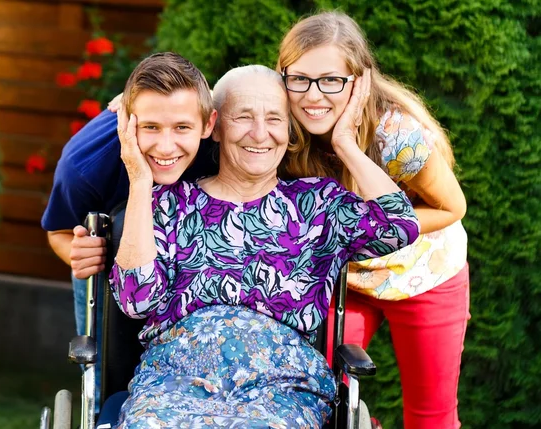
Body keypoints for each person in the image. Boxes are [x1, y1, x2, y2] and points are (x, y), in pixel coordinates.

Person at [108, 64, 420, 428]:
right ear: (216, 126)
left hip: (281, 388)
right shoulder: (167, 203)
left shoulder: (318, 205)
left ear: (288, 132)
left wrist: (344, 143)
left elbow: (400, 226)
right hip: (174, 382)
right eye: (243, 117)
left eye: (274, 119)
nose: (260, 134)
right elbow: (136, 301)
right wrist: (140, 181)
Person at [276, 12, 469, 429]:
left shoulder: (395, 134)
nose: (313, 96)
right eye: (300, 79)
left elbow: (452, 208)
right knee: (322, 400)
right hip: (348, 281)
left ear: (359, 81)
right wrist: (120, 112)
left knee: (431, 417)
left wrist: (346, 144)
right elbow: (211, 111)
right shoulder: (279, 126)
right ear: (282, 76)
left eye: (331, 80)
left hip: (422, 273)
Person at [41, 52, 218, 407]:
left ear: (207, 124)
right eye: (149, 127)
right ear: (126, 119)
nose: (165, 147)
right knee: (108, 376)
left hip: (191, 268)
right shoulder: (84, 164)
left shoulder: (220, 145)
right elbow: (58, 231)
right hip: (111, 273)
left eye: (182, 128)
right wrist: (77, 252)